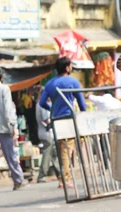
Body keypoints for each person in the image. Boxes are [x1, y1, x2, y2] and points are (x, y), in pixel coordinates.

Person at [39, 56, 87, 189]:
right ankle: (65, 179)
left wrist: (52, 109)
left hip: (56, 120)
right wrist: (85, 116)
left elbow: (42, 102)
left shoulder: (49, 84)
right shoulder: (73, 82)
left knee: (62, 149)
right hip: (69, 119)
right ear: (67, 67)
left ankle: (64, 177)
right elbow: (82, 104)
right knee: (66, 149)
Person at [36, 97, 60, 183]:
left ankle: (60, 174)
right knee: (47, 155)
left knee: (54, 154)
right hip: (47, 133)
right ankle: (42, 175)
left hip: (46, 133)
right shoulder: (43, 105)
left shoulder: (39, 104)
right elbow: (46, 120)